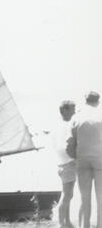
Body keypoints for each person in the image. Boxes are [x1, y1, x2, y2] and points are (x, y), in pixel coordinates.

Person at [66, 91, 102, 228]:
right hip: (100, 160)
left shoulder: (77, 116)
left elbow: (69, 144)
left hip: (82, 160)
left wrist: (76, 157)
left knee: (85, 198)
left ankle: (84, 226)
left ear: (85, 101)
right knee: (101, 198)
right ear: (98, 101)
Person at [52, 100, 76, 228]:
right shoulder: (64, 126)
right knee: (66, 195)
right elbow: (64, 147)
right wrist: (73, 158)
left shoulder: (60, 125)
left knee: (68, 194)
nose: (74, 111)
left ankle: (67, 222)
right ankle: (62, 223)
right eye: (72, 108)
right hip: (67, 163)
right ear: (65, 110)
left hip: (62, 163)